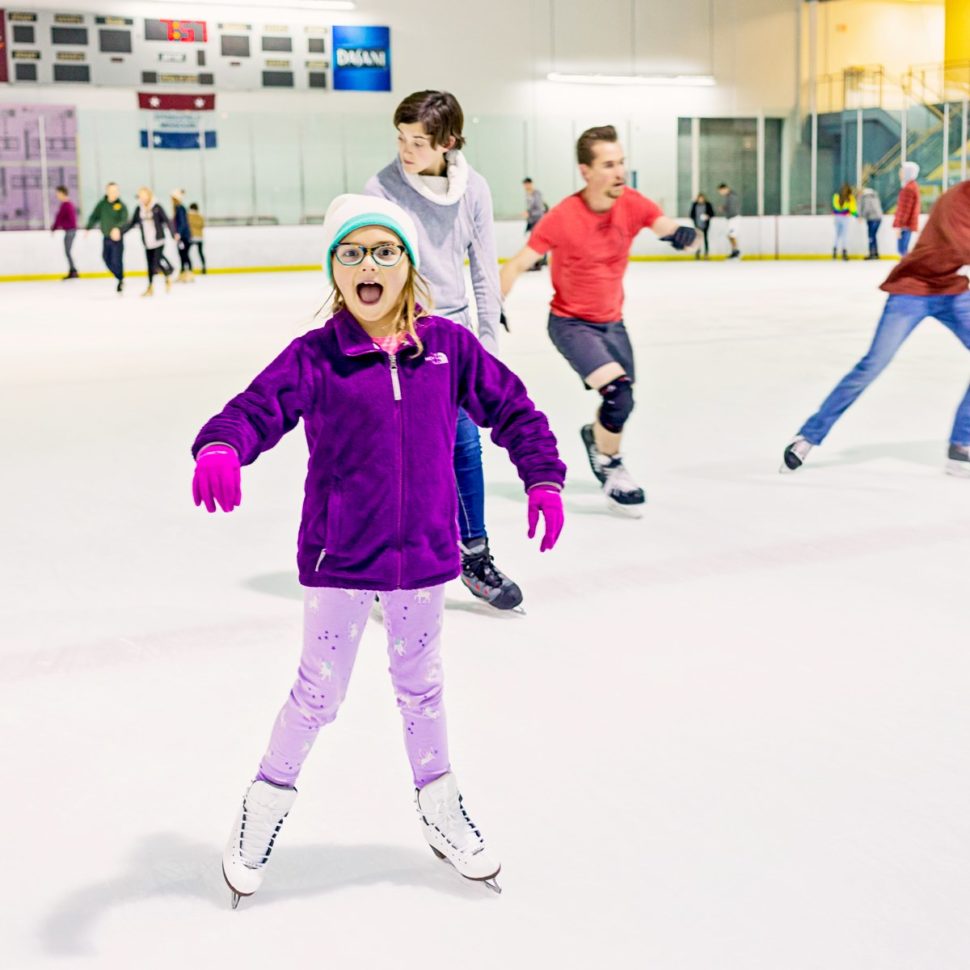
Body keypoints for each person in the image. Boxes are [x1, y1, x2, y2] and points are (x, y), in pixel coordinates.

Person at [191, 194, 566, 905]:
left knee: (421, 688)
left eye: (385, 251)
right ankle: (264, 805)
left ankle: (438, 804)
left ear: (408, 266)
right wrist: (221, 443)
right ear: (336, 270)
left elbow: (514, 408)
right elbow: (256, 409)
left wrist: (543, 474)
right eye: (353, 252)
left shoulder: (448, 351)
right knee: (317, 693)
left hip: (423, 559)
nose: (370, 265)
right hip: (341, 561)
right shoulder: (316, 357)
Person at [364, 90, 523, 611]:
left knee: (465, 446)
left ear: (447, 143)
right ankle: (390, 566)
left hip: (452, 336)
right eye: (400, 139)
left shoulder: (472, 188)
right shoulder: (382, 188)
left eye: (418, 142)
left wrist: (488, 346)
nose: (405, 151)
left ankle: (474, 557)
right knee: (400, 456)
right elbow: (376, 267)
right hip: (400, 335)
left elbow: (482, 267)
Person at [500, 124, 699, 516]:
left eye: (622, 162)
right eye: (609, 164)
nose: (619, 172)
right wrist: (495, 303)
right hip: (570, 323)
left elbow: (663, 226)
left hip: (613, 321)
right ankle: (612, 467)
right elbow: (520, 261)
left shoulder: (633, 203)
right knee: (618, 394)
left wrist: (681, 233)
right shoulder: (562, 216)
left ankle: (597, 439)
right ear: (586, 171)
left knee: (621, 404)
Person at [781, 179, 970, 478]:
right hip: (912, 290)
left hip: (952, 290)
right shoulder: (956, 200)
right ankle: (808, 437)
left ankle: (961, 444)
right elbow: (965, 245)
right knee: (872, 365)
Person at [125, 187, 176, 297]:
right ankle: (151, 287)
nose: (142, 198)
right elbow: (132, 223)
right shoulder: (139, 209)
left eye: (144, 195)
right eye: (140, 196)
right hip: (147, 241)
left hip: (158, 240)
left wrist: (173, 233)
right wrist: (121, 231)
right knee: (150, 265)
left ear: (149, 195)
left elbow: (167, 220)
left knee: (155, 263)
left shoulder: (157, 207)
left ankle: (168, 272)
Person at [84, 182, 128, 293]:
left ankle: (120, 280)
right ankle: (119, 277)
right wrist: (88, 227)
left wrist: (118, 228)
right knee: (106, 258)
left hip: (117, 239)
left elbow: (124, 219)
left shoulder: (121, 206)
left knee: (116, 260)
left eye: (116, 191)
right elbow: (94, 216)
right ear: (107, 191)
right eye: (112, 190)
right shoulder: (102, 205)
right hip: (106, 237)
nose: (114, 193)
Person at [51, 185, 78, 280]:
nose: (57, 196)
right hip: (70, 230)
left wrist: (54, 227)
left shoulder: (66, 205)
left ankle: (73, 271)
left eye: (58, 194)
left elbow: (59, 218)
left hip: (70, 231)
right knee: (67, 251)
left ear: (62, 193)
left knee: (67, 251)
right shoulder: (68, 204)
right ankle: (73, 270)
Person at [894, 161, 921, 257]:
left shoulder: (908, 188)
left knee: (902, 250)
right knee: (903, 250)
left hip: (905, 225)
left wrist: (900, 225)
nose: (899, 174)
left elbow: (904, 209)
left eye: (902, 172)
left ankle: (908, 269)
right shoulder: (911, 186)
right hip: (907, 224)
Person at [522, 177, 548, 269]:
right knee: (533, 241)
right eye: (525, 185)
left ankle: (538, 262)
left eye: (527, 184)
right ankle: (538, 262)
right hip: (532, 221)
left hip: (538, 220)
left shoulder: (536, 194)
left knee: (536, 241)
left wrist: (529, 213)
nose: (526, 186)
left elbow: (539, 209)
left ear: (531, 184)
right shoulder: (528, 195)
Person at [171, 189, 194, 282]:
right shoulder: (178, 208)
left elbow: (182, 223)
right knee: (183, 255)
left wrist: (178, 234)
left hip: (184, 236)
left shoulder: (180, 208)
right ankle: (184, 273)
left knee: (184, 255)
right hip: (183, 236)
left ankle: (188, 274)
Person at [832, 183, 857, 261]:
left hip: (837, 217)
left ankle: (835, 251)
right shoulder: (850, 198)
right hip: (845, 218)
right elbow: (853, 208)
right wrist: (855, 214)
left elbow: (835, 207)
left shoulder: (836, 197)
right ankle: (844, 252)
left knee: (837, 234)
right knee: (844, 235)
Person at [858, 183, 884, 260]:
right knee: (873, 236)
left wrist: (861, 216)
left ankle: (872, 253)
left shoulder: (866, 197)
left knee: (871, 236)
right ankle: (875, 253)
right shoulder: (874, 196)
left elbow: (867, 208)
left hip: (872, 219)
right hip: (878, 218)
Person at [717, 182, 741, 258]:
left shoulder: (732, 196)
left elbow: (733, 209)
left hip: (734, 218)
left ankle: (736, 251)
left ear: (725, 189)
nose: (720, 193)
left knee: (732, 235)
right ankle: (735, 250)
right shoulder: (728, 196)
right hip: (731, 219)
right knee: (729, 235)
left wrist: (724, 208)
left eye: (721, 191)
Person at [689, 192, 714, 260]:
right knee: (698, 239)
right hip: (697, 225)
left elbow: (712, 214)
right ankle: (697, 253)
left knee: (705, 239)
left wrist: (707, 216)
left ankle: (706, 254)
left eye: (702, 198)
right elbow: (691, 215)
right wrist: (695, 221)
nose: (700, 200)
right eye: (699, 198)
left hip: (705, 225)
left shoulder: (708, 205)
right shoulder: (695, 205)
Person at [188, 202, 206, 274]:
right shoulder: (200, 216)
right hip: (199, 237)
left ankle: (190, 268)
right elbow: (202, 225)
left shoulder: (188, 216)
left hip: (192, 237)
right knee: (200, 253)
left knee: (187, 253)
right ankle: (203, 267)